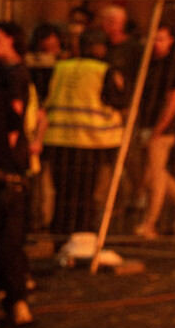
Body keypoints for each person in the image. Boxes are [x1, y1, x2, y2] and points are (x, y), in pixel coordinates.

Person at [40, 31, 125, 236]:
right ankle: (82, 236)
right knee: (84, 195)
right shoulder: (104, 70)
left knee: (62, 193)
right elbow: (118, 100)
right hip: (90, 142)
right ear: (101, 48)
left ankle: (60, 235)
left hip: (58, 139)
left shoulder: (61, 67)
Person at [132, 23, 175, 237]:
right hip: (145, 124)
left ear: (170, 41)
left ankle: (150, 224)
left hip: (162, 129)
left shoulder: (173, 66)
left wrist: (159, 129)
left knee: (155, 176)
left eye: (161, 38)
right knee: (157, 175)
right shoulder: (146, 63)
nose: (156, 43)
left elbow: (173, 101)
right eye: (153, 38)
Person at [0, 22, 34, 328]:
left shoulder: (12, 79)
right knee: (9, 243)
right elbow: (16, 124)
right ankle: (16, 302)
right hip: (9, 172)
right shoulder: (2, 87)